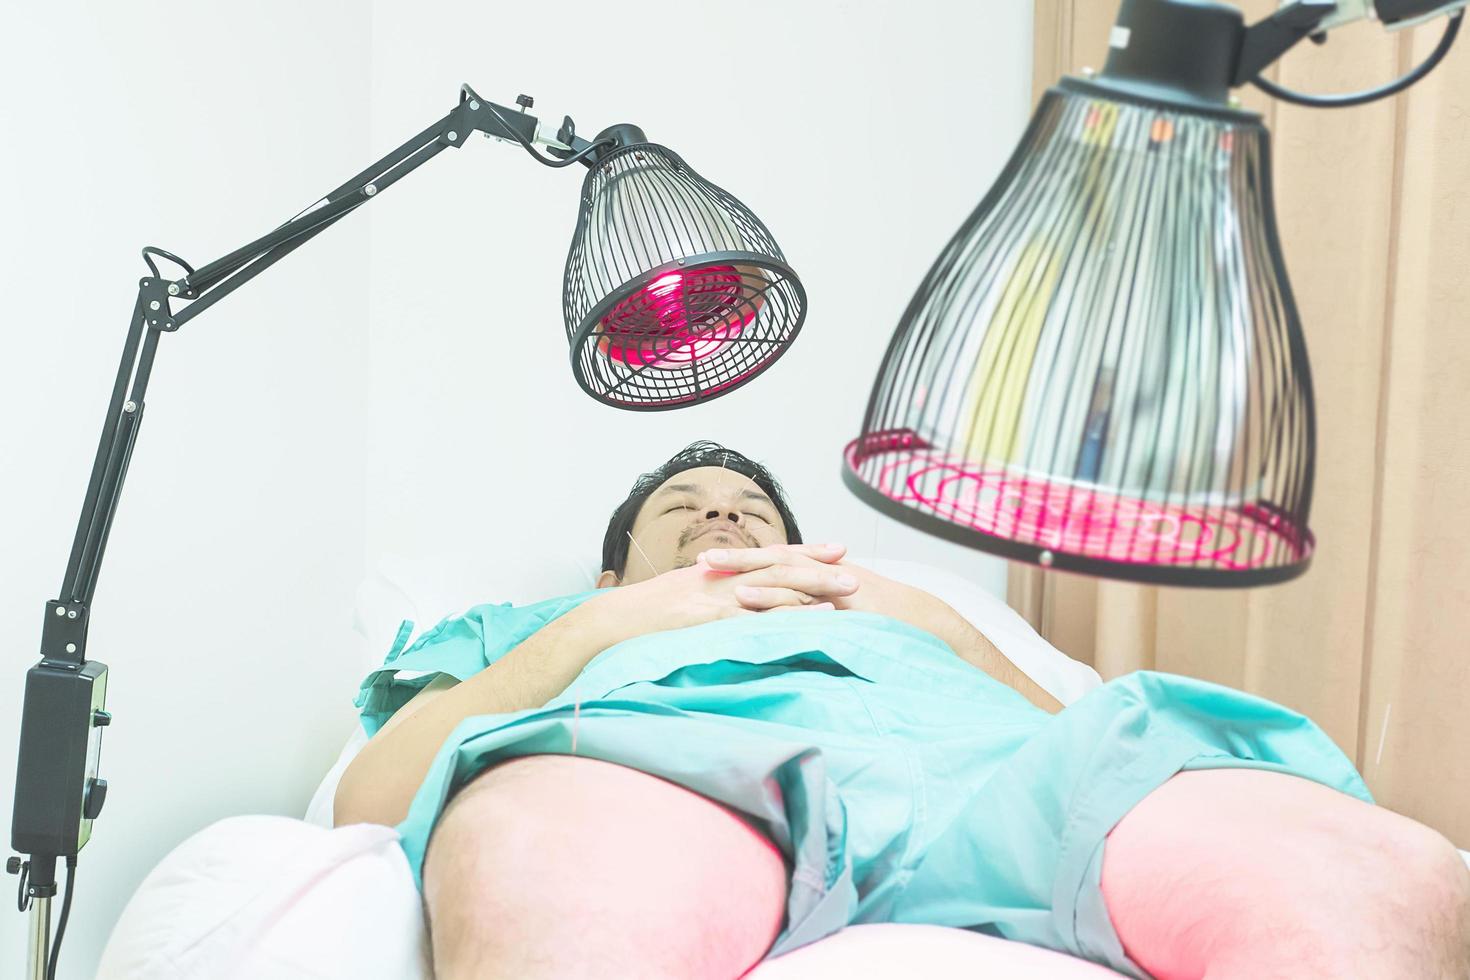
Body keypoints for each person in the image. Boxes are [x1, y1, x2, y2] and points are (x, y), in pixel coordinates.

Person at [334, 441, 1470, 980]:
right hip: (676, 764)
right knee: (544, 863)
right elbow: (370, 791)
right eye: (683, 510)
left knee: (1393, 879)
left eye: (748, 508)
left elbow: (1063, 722)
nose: (721, 520)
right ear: (611, 569)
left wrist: (902, 608)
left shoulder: (893, 600)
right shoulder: (544, 624)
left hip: (1001, 775)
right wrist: (614, 627)